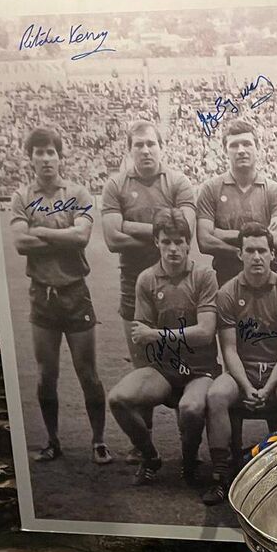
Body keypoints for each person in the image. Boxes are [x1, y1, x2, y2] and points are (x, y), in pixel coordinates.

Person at [9, 126, 111, 466]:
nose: (46, 158)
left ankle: (98, 440)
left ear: (60, 156)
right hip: (42, 296)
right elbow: (20, 243)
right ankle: (53, 441)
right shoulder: (22, 196)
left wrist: (38, 231)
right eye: (39, 152)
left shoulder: (78, 192)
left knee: (88, 373)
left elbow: (82, 237)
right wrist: (58, 235)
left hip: (74, 292)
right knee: (45, 374)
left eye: (51, 151)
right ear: (31, 158)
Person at [107, 209, 218, 491]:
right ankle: (150, 457)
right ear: (156, 242)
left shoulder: (204, 275)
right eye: (166, 241)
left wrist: (156, 334)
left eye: (179, 241)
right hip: (164, 369)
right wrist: (158, 338)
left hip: (199, 369)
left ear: (188, 243)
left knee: (191, 408)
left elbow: (205, 334)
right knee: (119, 399)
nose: (173, 249)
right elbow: (139, 334)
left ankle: (189, 461)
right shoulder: (146, 279)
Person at [206, 222, 277, 489]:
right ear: (240, 254)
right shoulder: (226, 293)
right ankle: (221, 473)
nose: (257, 257)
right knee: (216, 395)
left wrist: (269, 386)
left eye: (262, 250)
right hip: (242, 371)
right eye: (250, 250)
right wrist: (247, 387)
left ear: (273, 254)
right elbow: (228, 350)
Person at [195, 119, 277, 290]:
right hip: (226, 277)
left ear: (257, 148)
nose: (241, 150)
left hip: (268, 280)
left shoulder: (273, 190)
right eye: (234, 145)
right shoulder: (210, 189)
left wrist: (221, 233)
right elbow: (204, 241)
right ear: (224, 150)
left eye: (247, 144)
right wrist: (254, 246)